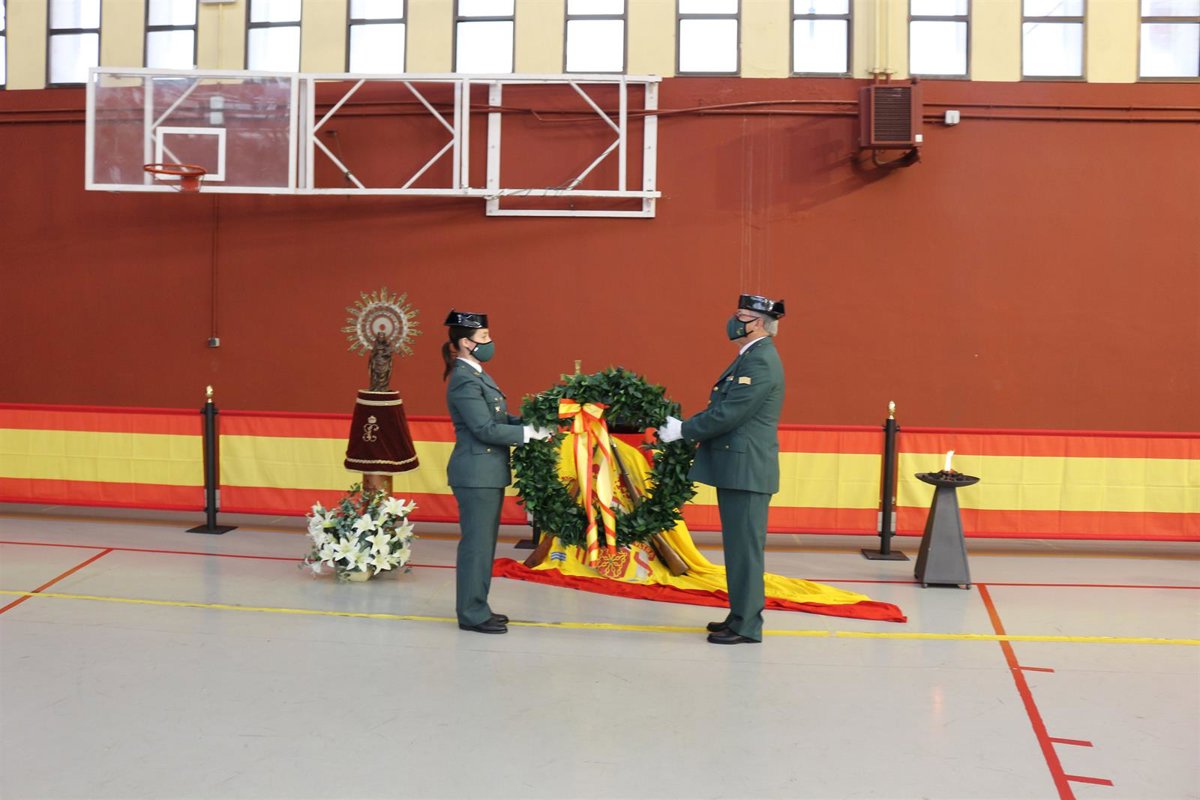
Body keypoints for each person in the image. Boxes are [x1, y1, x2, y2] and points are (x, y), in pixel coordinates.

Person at [658, 294, 786, 644]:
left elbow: (731, 413)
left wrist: (684, 430)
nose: (734, 321)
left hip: (747, 470)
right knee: (738, 549)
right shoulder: (751, 357)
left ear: (758, 323)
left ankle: (747, 626)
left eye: (741, 315)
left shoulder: (761, 361)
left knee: (745, 551)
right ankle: (738, 615)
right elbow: (724, 406)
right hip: (739, 468)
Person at [443, 310, 549, 634]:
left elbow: (499, 419)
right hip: (476, 474)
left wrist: (532, 422)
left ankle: (478, 606)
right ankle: (471, 614)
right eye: (484, 337)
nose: (490, 342)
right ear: (466, 342)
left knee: (484, 544)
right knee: (477, 546)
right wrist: (528, 434)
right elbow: (484, 429)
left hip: (486, 473)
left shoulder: (476, 374)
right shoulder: (463, 379)